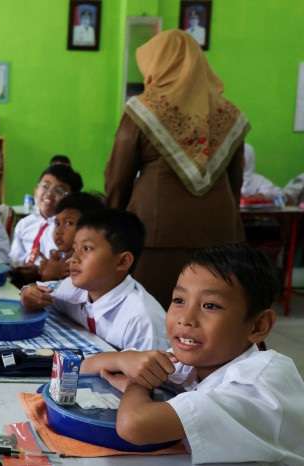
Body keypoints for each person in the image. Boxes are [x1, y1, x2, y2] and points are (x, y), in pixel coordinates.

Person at [92, 244, 304, 464]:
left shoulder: (257, 383)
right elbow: (89, 365)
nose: (186, 319)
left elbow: (134, 425)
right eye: (179, 300)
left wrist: (138, 383)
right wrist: (123, 359)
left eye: (210, 306)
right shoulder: (199, 358)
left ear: (258, 326)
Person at [105, 30, 249, 309]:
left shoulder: (143, 110)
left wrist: (113, 225)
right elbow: (236, 180)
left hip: (156, 231)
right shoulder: (228, 113)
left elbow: (118, 177)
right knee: (212, 309)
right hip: (220, 229)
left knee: (153, 309)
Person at [21, 209, 167, 351]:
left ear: (122, 261)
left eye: (86, 248)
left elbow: (156, 367)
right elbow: (36, 291)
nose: (73, 259)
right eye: (75, 249)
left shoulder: (142, 320)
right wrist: (29, 295)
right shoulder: (74, 288)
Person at [9, 164, 82, 286]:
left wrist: (40, 271)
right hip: (20, 280)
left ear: (71, 198)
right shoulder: (24, 223)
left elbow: (64, 267)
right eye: (45, 186)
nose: (49, 194)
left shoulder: (67, 230)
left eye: (59, 191)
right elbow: (14, 259)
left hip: (52, 284)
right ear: (35, 190)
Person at [38, 192, 105, 283]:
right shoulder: (60, 259)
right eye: (57, 223)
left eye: (69, 223)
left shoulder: (87, 264)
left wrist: (49, 275)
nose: (59, 231)